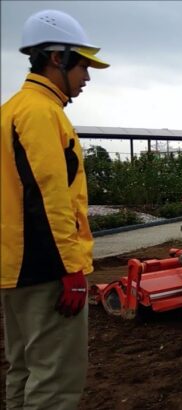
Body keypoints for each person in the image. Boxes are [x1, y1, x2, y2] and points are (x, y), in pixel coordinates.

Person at [1, 9, 109, 409]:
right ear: (56, 58)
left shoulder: (12, 109)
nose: (87, 77)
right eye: (82, 65)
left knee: (25, 369)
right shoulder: (42, 114)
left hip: (17, 269)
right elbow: (50, 198)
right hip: (47, 270)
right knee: (55, 383)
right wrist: (71, 271)